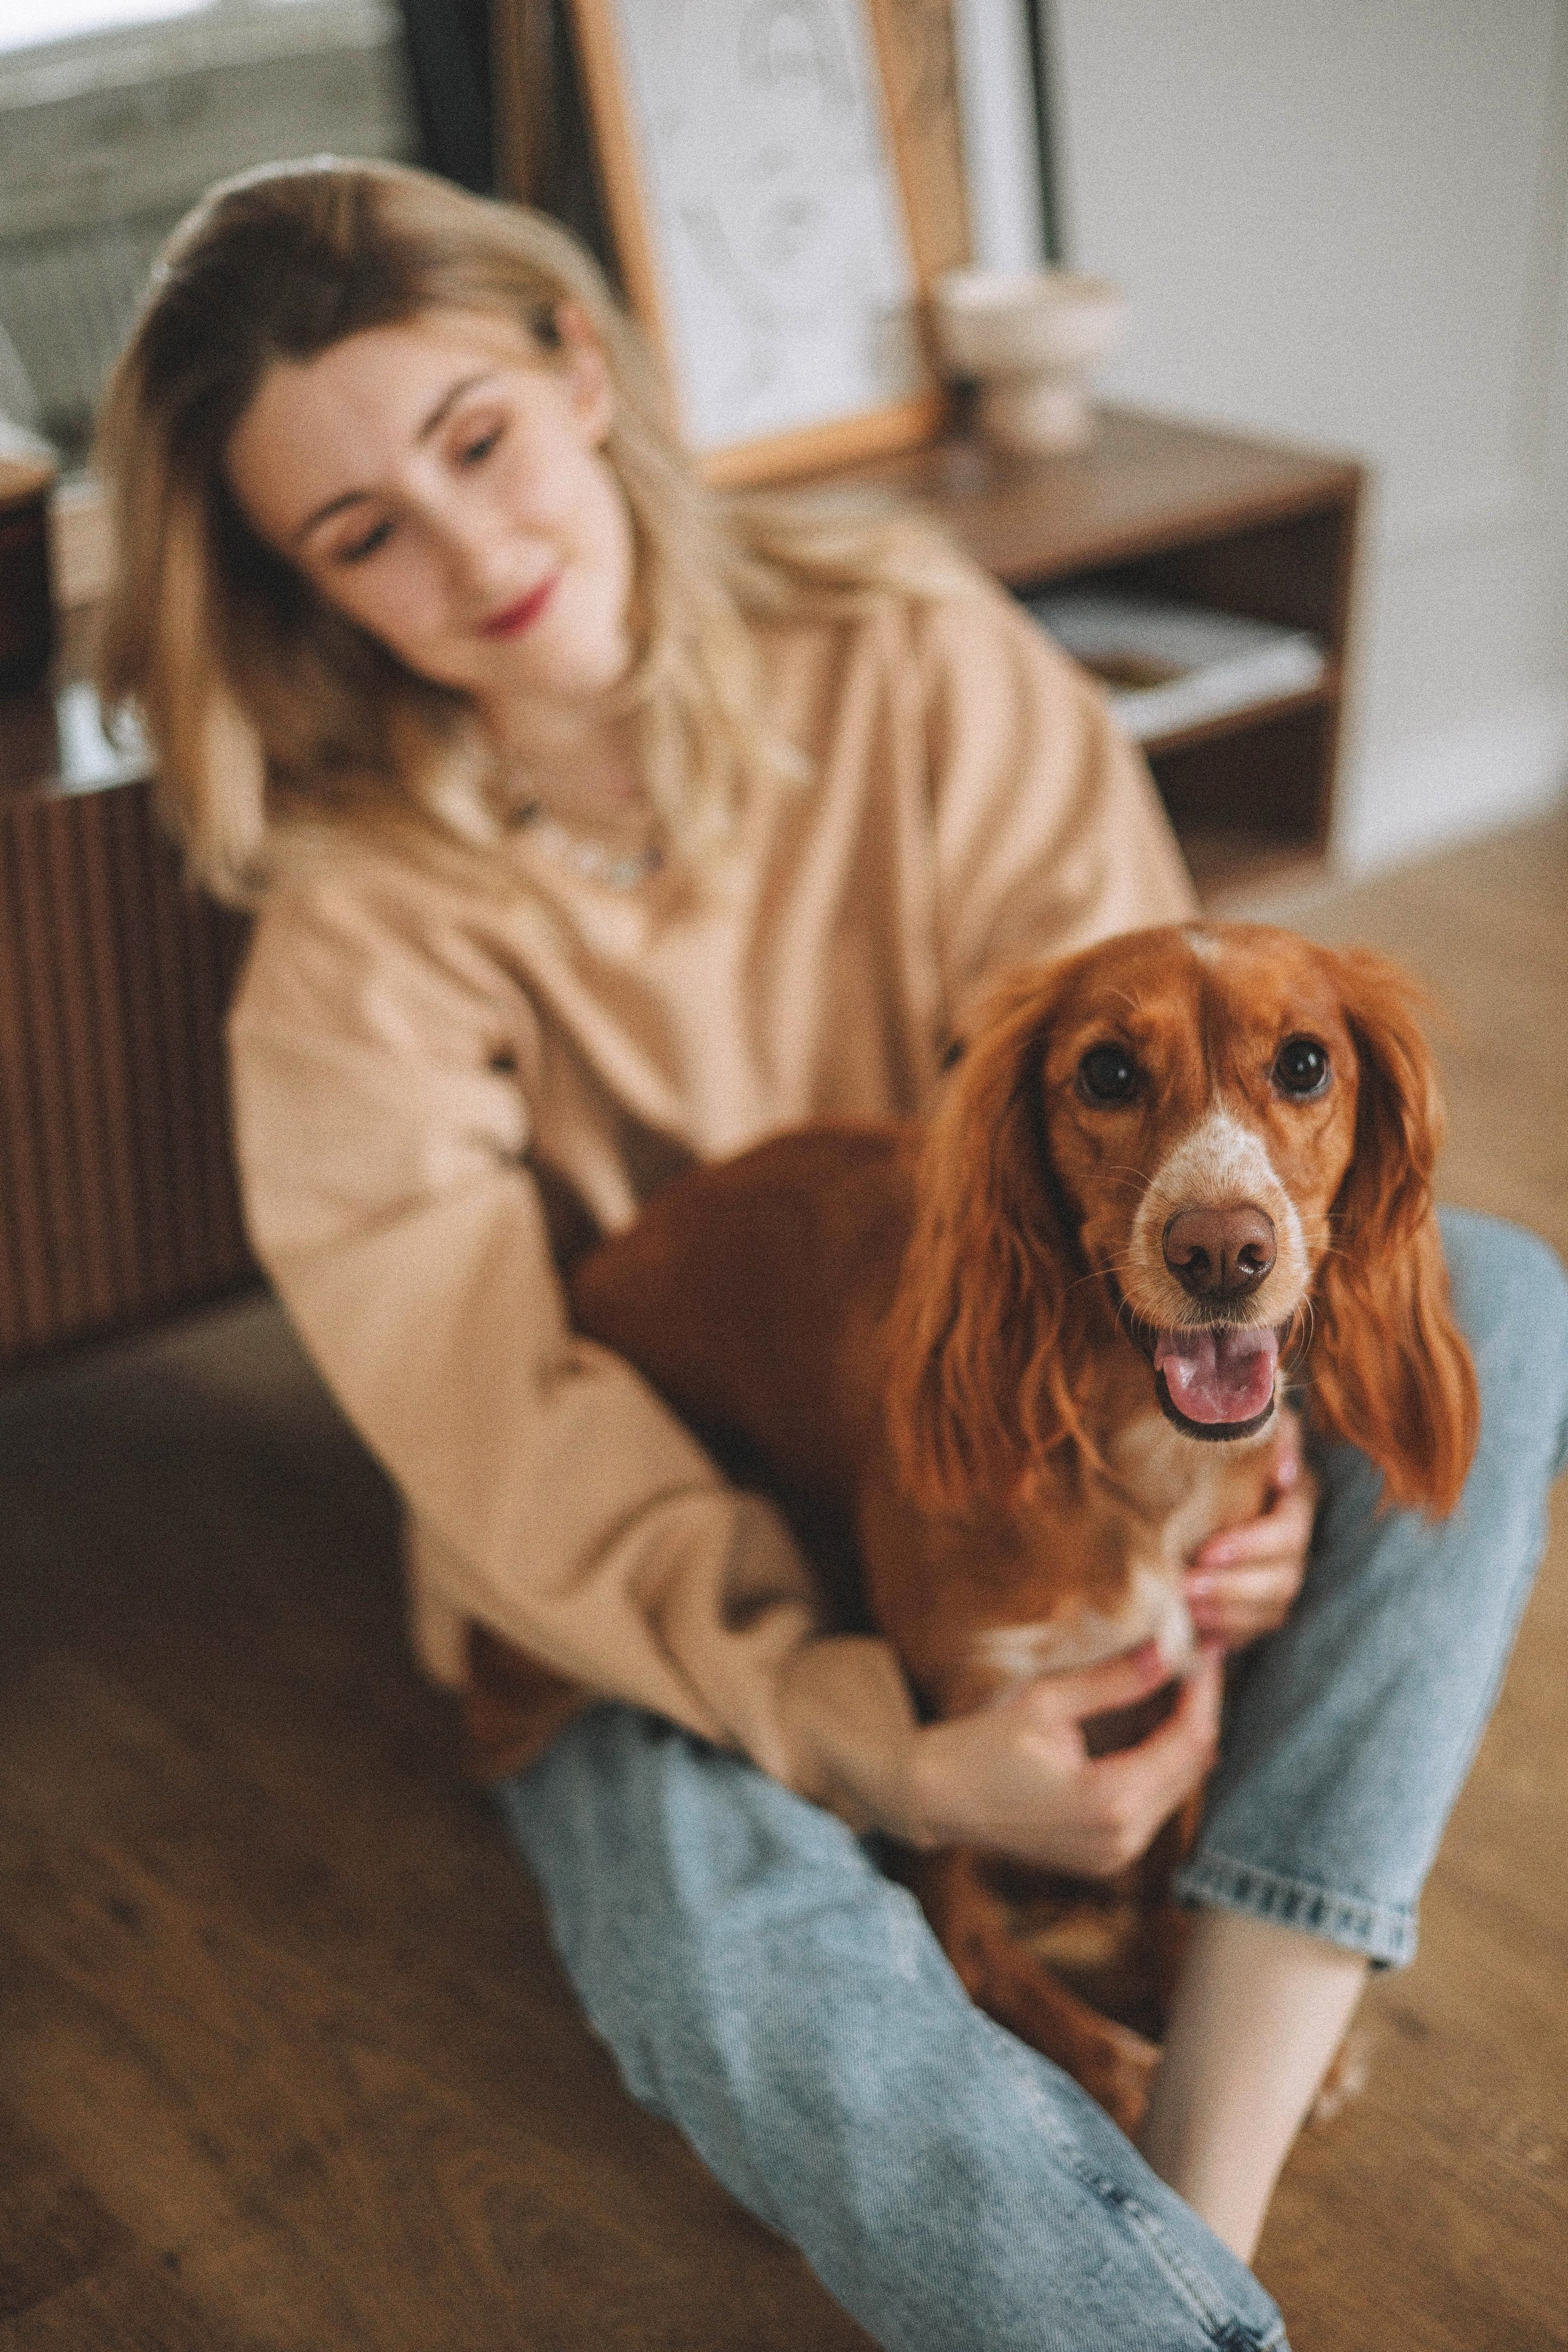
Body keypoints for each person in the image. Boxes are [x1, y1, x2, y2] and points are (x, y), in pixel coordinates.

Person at [94, 157, 1568, 2352]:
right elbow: (498, 1429)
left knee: (1507, 1290)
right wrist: (857, 1736)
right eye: (361, 532)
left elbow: (1178, 1100)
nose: (475, 549)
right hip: (648, 1564)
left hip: (1039, 1430)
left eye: (477, 441)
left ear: (579, 374)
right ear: (298, 587)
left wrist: (1240, 1486)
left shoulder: (908, 648)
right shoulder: (353, 929)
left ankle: (1219, 2115)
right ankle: (1145, 2318)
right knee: (727, 1937)